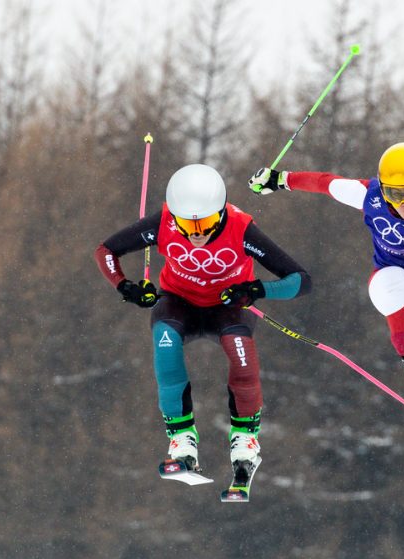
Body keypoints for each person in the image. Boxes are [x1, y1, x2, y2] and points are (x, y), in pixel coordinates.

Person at [95, 163, 312, 489]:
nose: (197, 233)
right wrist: (125, 286)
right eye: (187, 224)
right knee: (165, 344)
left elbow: (300, 280)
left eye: (207, 222)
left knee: (240, 355)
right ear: (175, 216)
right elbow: (106, 251)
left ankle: (245, 441)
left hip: (229, 306)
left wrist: (257, 290)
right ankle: (181, 440)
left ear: (221, 212)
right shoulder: (163, 222)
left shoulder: (241, 229)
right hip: (178, 302)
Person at [248, 143, 404, 434]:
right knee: (389, 279)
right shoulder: (369, 196)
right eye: (396, 195)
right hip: (399, 287)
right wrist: (280, 179)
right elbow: (326, 184)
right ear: (383, 190)